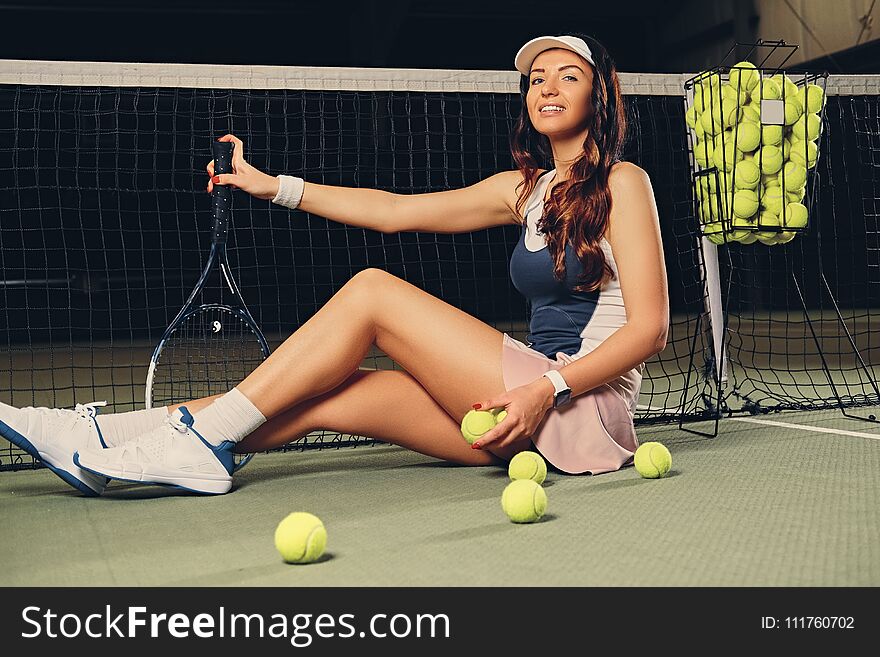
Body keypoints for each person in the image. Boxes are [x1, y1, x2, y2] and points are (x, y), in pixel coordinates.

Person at [0, 33, 668, 496]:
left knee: (374, 291)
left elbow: (650, 331)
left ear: (599, 96)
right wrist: (273, 186)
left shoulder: (624, 183)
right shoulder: (524, 189)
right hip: (518, 411)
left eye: (568, 77)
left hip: (578, 408)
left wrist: (545, 390)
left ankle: (198, 447)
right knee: (333, 394)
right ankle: (95, 437)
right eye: (536, 79)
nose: (547, 88)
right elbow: (392, 210)